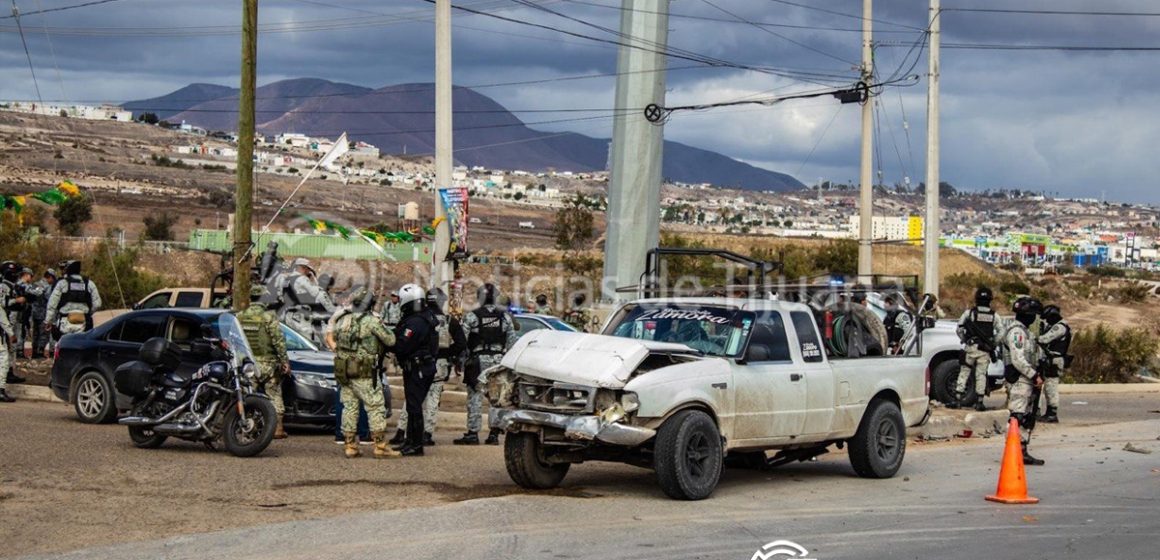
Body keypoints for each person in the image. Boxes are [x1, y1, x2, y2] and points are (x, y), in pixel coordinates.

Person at [391, 288, 467, 446]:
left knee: (413, 398)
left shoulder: (419, 317)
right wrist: (448, 354)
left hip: (419, 361)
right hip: (439, 363)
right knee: (433, 398)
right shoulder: (448, 320)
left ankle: (401, 431)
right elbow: (461, 343)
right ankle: (426, 434)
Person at [332, 287, 399, 459]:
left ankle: (350, 445)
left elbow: (334, 340)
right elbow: (390, 339)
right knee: (375, 406)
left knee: (350, 407)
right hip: (364, 371)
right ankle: (380, 446)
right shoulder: (371, 321)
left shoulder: (342, 320)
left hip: (344, 370)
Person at [456, 283, 515, 446]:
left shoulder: (472, 316)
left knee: (475, 397)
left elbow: (462, 340)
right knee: (495, 399)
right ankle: (494, 434)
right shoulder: (505, 317)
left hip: (477, 362)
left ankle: (473, 434)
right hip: (498, 362)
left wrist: (460, 360)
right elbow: (512, 342)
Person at [235, 286, 292, 440]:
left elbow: (235, 340)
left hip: (248, 364)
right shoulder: (269, 317)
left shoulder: (240, 316)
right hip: (268, 364)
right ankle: (277, 429)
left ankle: (246, 425)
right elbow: (278, 341)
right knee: (274, 395)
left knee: (247, 396)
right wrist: (284, 361)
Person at [390, 283, 438, 456]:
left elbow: (403, 345)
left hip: (418, 367)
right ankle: (410, 441)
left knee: (414, 406)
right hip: (418, 366)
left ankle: (416, 445)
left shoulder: (416, 321)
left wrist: (389, 342)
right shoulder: (421, 317)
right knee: (412, 405)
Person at [1001, 297, 1044, 466]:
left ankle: (1021, 450)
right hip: (1020, 378)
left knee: (1026, 417)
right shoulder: (1017, 332)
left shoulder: (1026, 332)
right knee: (1017, 416)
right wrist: (1034, 375)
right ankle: (1013, 451)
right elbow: (1018, 359)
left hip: (1026, 378)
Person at [953, 286, 998, 411]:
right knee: (981, 375)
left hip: (971, 347)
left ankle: (958, 399)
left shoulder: (970, 313)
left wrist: (965, 339)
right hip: (984, 350)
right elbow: (1001, 331)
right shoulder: (994, 315)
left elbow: (959, 328)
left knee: (964, 371)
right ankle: (979, 402)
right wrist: (993, 343)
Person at [281, 257, 335, 345]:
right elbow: (316, 293)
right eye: (307, 269)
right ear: (302, 267)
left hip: (288, 315)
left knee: (292, 342)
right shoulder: (302, 279)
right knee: (305, 343)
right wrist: (314, 280)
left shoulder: (286, 279)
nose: (307, 271)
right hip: (300, 317)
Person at [44, 260, 101, 338]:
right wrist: (88, 313)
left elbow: (52, 304)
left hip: (65, 323)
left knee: (64, 346)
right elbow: (97, 304)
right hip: (84, 323)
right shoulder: (89, 283)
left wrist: (49, 321)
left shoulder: (62, 283)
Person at [1037, 304, 1071, 424]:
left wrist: (1035, 337)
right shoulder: (1055, 326)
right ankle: (1047, 412)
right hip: (1050, 359)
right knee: (1047, 387)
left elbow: (1045, 339)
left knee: (1051, 387)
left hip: (1055, 360)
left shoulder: (1059, 327)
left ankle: (1052, 413)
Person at [29, 269, 56, 359]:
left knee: (35, 333)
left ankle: (34, 351)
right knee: (44, 333)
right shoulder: (47, 286)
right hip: (43, 313)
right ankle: (40, 351)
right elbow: (50, 300)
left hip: (34, 312)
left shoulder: (35, 284)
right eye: (53, 278)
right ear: (50, 277)